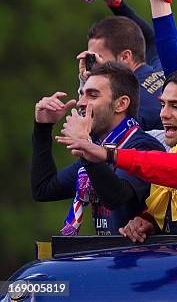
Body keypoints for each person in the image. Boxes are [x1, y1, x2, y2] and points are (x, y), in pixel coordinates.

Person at [59, 69, 177, 242]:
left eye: (176, 106)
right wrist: (148, 221)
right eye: (162, 104)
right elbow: (43, 189)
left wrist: (109, 154)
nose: (163, 114)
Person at [32, 62, 164, 235]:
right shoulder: (99, 148)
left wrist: (86, 148)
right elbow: (44, 189)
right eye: (81, 95)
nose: (80, 103)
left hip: (142, 259)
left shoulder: (142, 146)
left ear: (120, 104)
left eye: (92, 96)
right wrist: (43, 127)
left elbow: (116, 197)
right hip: (111, 258)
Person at [78, 15, 165, 131]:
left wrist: (87, 83)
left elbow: (88, 129)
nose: (93, 66)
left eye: (98, 58)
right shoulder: (162, 68)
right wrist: (117, 3)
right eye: (91, 59)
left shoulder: (128, 104)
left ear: (125, 57)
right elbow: (151, 39)